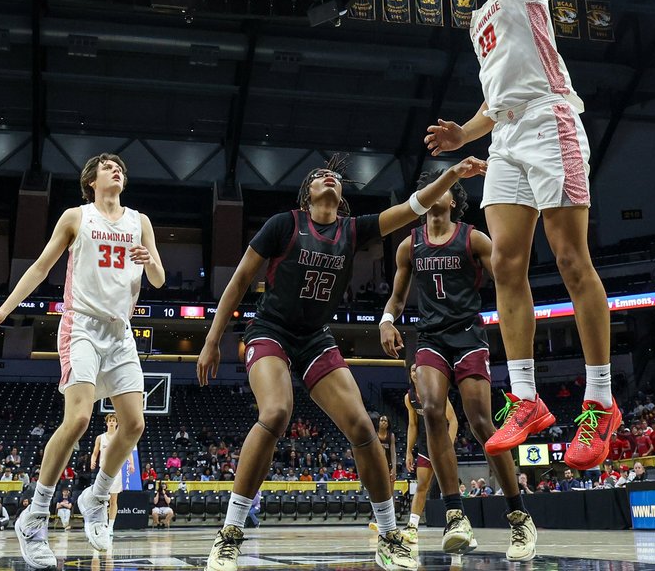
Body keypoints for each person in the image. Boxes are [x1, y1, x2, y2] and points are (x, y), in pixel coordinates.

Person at [424, 0, 621, 472]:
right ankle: (528, 398)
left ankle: (599, 401)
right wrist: (464, 132)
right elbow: (492, 99)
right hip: (507, 133)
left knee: (569, 257)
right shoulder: (482, 18)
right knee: (506, 264)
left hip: (551, 122)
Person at [196, 156, 486, 571]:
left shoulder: (353, 229)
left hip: (315, 338)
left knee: (364, 429)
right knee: (277, 411)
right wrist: (211, 339)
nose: (326, 177)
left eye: (331, 176)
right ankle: (229, 536)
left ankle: (388, 536)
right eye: (316, 176)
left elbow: (413, 208)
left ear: (341, 196)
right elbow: (241, 279)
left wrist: (452, 175)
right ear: (307, 194)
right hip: (271, 330)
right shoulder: (284, 223)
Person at [0, 153, 165, 568]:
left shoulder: (140, 221)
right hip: (80, 326)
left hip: (121, 333)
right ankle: (35, 515)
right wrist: (4, 311)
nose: (118, 169)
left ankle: (96, 498)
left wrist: (149, 260)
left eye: (121, 166)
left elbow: (159, 279)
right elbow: (42, 267)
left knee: (134, 424)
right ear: (91, 180)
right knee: (79, 419)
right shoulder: (76, 217)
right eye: (109, 166)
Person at [380, 171, 536, 560]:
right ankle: (454, 515)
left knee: (482, 422)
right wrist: (386, 320)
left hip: (468, 334)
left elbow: (509, 277)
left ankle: (519, 517)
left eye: (443, 188)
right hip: (431, 338)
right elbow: (397, 299)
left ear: (453, 200)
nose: (434, 194)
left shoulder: (473, 238)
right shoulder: (408, 246)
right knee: (432, 410)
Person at [401, 364, 459, 546]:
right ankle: (412, 527)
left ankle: (458, 525)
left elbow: (453, 421)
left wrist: (447, 447)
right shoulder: (409, 398)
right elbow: (412, 426)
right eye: (412, 369)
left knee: (449, 487)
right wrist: (409, 451)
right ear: (411, 375)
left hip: (441, 446)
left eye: (417, 368)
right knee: (422, 487)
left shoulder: (436, 392)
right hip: (425, 448)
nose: (415, 371)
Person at [91, 413, 137, 526]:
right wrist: (93, 461)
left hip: (116, 472)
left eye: (113, 420)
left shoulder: (121, 437)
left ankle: (110, 527)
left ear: (117, 423)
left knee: (113, 500)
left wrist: (131, 464)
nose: (111, 422)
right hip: (103, 471)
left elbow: (128, 452)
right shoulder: (100, 438)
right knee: (100, 501)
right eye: (110, 420)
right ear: (107, 423)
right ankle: (101, 524)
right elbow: (95, 453)